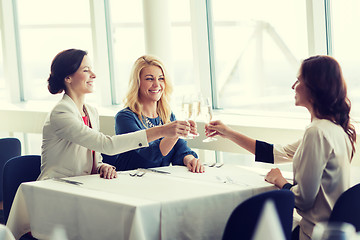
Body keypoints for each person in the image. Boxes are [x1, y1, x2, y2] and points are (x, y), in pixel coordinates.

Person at [205, 55, 356, 240]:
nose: (293, 86)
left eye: (299, 80)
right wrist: (228, 133)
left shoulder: (316, 132)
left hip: (313, 234)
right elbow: (277, 153)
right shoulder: (336, 130)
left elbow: (303, 200)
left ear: (314, 86)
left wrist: (280, 180)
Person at [38, 49, 194, 181]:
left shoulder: (91, 112)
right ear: (68, 78)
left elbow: (94, 154)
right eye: (86, 70)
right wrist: (163, 130)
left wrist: (101, 165)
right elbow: (107, 145)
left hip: (83, 184)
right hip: (57, 186)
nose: (93, 75)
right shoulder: (61, 113)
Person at [113, 55, 204, 173]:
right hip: (132, 183)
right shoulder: (125, 118)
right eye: (150, 79)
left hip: (160, 182)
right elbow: (149, 156)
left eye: (161, 78)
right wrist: (175, 133)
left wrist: (190, 159)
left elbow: (179, 148)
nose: (157, 84)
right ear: (138, 83)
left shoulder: (167, 115)